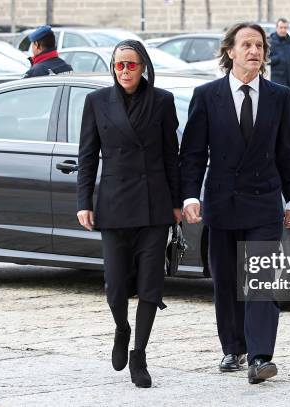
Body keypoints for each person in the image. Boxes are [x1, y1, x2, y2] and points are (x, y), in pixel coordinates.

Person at [180, 22, 290, 384]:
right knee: (227, 279)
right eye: (246, 44)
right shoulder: (207, 95)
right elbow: (193, 153)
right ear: (230, 52)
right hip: (221, 202)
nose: (254, 51)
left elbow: (286, 152)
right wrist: (190, 195)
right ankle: (233, 347)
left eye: (260, 45)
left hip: (265, 203)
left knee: (261, 280)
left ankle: (261, 356)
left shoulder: (279, 95)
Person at [76, 40, 182, 388]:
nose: (124, 71)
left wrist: (177, 202)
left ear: (143, 66)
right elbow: (87, 156)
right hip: (114, 204)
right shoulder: (96, 102)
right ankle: (122, 328)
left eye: (131, 65)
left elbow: (172, 155)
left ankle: (139, 353)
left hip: (154, 205)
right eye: (119, 65)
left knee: (151, 284)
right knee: (115, 286)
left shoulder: (163, 101)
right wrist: (83, 202)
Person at [268, 18, 290, 105]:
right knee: (279, 106)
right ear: (276, 28)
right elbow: (266, 60)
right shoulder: (270, 42)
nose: (283, 30)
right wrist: (278, 58)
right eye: (281, 27)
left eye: (285, 28)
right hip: (278, 81)